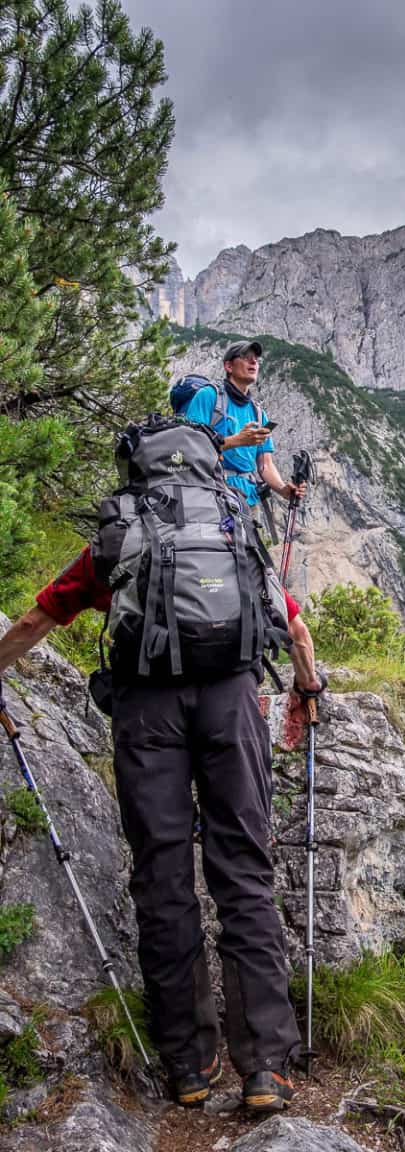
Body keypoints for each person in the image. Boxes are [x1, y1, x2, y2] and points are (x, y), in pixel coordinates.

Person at [0, 540, 323, 1111]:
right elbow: (296, 630)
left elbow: (37, 618)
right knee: (245, 874)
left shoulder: (118, 537)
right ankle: (267, 1067)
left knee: (163, 879)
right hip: (233, 705)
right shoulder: (229, 533)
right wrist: (306, 690)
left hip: (146, 713)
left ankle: (189, 1064)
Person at [183, 340, 316, 666]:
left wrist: (285, 489)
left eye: (256, 358)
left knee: (247, 570)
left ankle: (242, 636)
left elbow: (264, 465)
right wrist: (234, 441)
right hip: (209, 492)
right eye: (245, 357)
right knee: (214, 564)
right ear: (229, 365)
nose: (253, 362)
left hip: (246, 501)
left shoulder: (259, 412)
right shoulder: (208, 398)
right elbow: (187, 446)